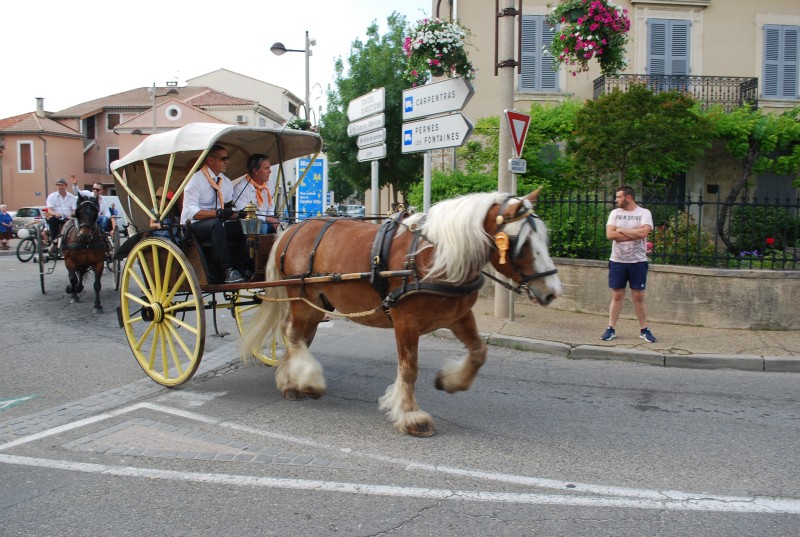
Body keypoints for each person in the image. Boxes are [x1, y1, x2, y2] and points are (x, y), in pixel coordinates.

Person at [179, 144, 247, 284]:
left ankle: (242, 266)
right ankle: (228, 270)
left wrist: (239, 214)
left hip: (217, 222)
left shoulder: (226, 182)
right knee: (215, 225)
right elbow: (190, 212)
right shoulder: (195, 180)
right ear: (210, 160)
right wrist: (216, 213)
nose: (227, 162)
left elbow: (227, 208)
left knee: (241, 226)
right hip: (193, 225)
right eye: (223, 159)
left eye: (227, 158)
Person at [601, 185, 657, 343]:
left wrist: (620, 230)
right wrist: (633, 234)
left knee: (638, 296)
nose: (615, 200)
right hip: (617, 261)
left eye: (618, 197)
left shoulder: (644, 213)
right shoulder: (615, 213)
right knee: (617, 295)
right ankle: (610, 328)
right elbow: (610, 234)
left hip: (638, 261)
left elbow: (644, 233)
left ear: (628, 197)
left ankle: (644, 329)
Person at [232, 154, 279, 234]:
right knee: (262, 227)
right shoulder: (240, 188)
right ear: (255, 171)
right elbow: (243, 213)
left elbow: (270, 207)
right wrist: (266, 219)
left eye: (269, 168)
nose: (270, 171)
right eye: (266, 168)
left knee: (286, 228)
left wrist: (271, 218)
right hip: (246, 224)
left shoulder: (269, 185)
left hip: (265, 221)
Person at [45, 178, 78, 248]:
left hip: (68, 218)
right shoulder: (52, 197)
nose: (60, 187)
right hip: (56, 217)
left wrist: (72, 215)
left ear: (66, 186)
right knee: (52, 220)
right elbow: (49, 210)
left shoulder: (72, 197)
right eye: (59, 185)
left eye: (62, 185)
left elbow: (74, 210)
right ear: (56, 186)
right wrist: (55, 214)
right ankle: (55, 240)